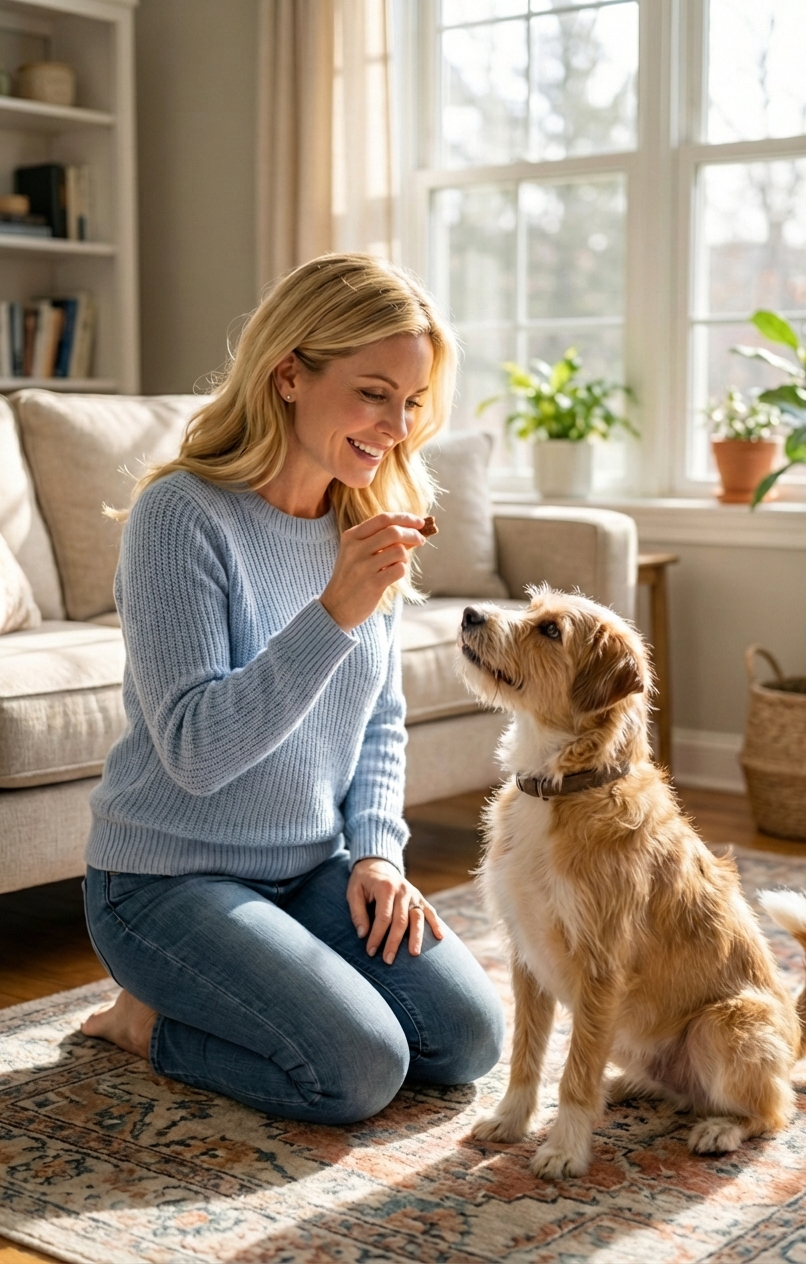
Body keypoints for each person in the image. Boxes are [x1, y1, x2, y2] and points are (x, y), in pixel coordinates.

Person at [81, 253, 504, 1124]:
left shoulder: (360, 520)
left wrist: (378, 852)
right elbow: (198, 755)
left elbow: (380, 722)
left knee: (466, 1038)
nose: (395, 426)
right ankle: (144, 1022)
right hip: (165, 882)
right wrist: (336, 611)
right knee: (358, 1069)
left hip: (309, 865)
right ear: (287, 375)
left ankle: (276, 977)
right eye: (373, 392)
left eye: (411, 402)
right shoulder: (182, 517)